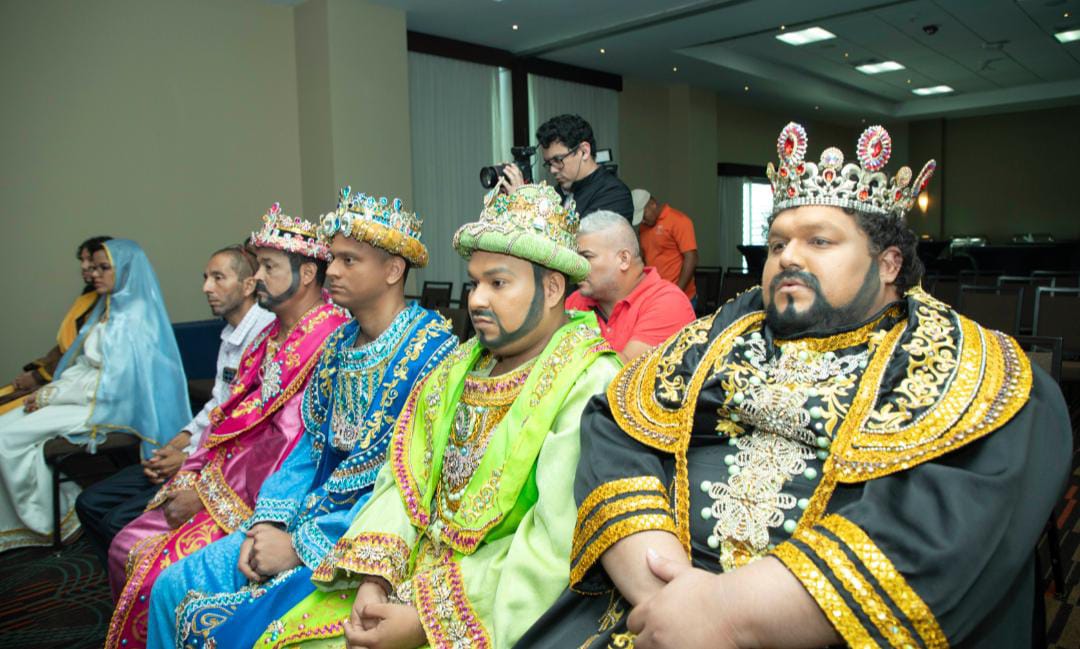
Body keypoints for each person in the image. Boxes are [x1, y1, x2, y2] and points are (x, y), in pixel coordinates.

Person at [518, 123, 1072, 649]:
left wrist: (726, 615)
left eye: (820, 242)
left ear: (889, 263)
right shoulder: (721, 331)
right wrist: (665, 597)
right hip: (653, 608)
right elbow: (618, 426)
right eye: (778, 241)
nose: (788, 257)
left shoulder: (964, 364)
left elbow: (950, 523)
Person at [250, 183, 621, 649]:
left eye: (498, 283)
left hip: (487, 613)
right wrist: (374, 578)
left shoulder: (591, 382)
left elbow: (552, 546)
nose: (477, 299)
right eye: (474, 282)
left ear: (551, 289)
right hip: (405, 580)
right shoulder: (460, 367)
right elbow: (402, 481)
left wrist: (425, 620)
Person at [148, 188, 459, 649]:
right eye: (332, 258)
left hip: (364, 543)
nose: (331, 270)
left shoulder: (432, 353)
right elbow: (308, 447)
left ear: (394, 270)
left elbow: (402, 483)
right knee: (169, 586)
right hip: (300, 517)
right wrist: (269, 523)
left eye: (349, 261)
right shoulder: (338, 346)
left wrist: (297, 548)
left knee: (227, 629)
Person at [104, 203, 350, 649]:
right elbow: (228, 415)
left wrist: (205, 497)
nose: (256, 279)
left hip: (259, 498)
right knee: (126, 541)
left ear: (309, 275)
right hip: (224, 476)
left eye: (268, 268)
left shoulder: (329, 338)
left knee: (151, 573)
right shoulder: (268, 333)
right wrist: (192, 470)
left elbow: (290, 444)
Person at [75, 244, 273, 570]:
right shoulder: (231, 332)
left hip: (222, 465)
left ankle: (137, 595)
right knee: (90, 503)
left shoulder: (265, 335)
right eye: (206, 278)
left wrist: (183, 458)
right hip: (197, 452)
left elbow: (244, 424)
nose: (206, 287)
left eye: (218, 278)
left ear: (249, 285)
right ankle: (123, 587)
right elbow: (217, 403)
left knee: (117, 521)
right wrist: (176, 443)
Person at [0, 239, 190, 553]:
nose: (94, 274)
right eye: (95, 267)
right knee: (12, 424)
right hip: (83, 398)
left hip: (109, 407)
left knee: (7, 437)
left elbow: (112, 385)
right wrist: (49, 391)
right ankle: (53, 512)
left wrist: (51, 397)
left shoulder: (134, 318)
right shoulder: (110, 307)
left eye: (104, 268)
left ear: (125, 270)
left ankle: (49, 521)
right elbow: (84, 366)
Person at [0, 235, 112, 415]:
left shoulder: (113, 307)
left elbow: (81, 352)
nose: (84, 266)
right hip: (65, 375)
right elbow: (67, 345)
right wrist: (37, 372)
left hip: (81, 385)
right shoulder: (89, 298)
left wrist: (39, 378)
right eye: (82, 260)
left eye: (90, 260)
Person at [566, 210, 695, 362]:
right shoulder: (577, 301)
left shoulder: (668, 302)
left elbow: (623, 376)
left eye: (587, 257)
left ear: (624, 259)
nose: (576, 267)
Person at [504, 114, 633, 220]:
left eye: (558, 160)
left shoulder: (614, 193)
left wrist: (522, 206)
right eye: (549, 163)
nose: (553, 170)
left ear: (584, 151)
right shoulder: (556, 193)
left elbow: (578, 246)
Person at [635, 189, 699, 303]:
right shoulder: (643, 228)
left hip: (681, 296)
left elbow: (692, 258)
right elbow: (646, 260)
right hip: (655, 296)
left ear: (652, 204)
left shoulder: (679, 221)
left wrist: (677, 292)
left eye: (644, 215)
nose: (643, 221)